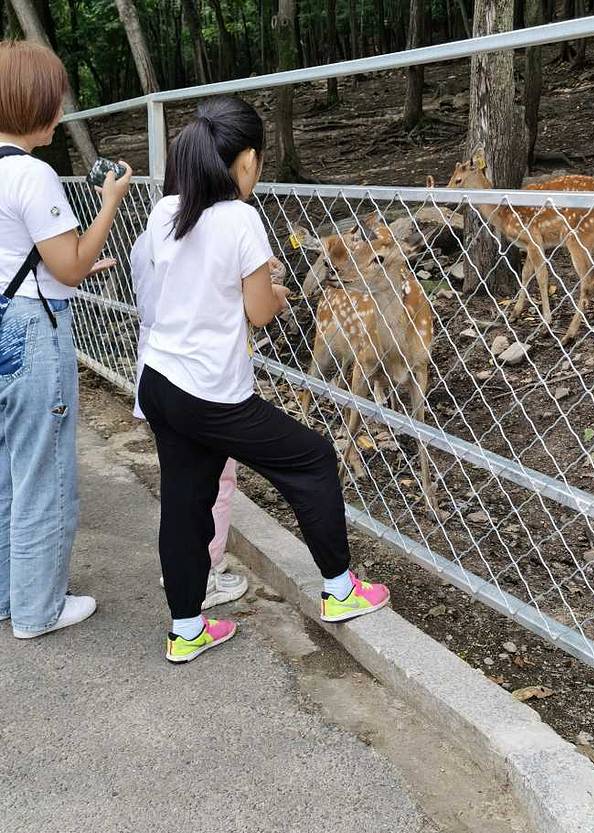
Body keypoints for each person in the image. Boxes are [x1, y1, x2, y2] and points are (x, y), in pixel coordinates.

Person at [137, 95, 390, 665]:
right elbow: (259, 312)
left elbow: (185, 286)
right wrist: (274, 289)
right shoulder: (240, 217)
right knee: (312, 459)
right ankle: (340, 591)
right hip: (212, 392)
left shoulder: (166, 210)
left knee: (185, 500)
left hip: (161, 379)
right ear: (246, 158)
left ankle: (186, 629)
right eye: (259, 158)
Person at [0, 40, 132, 639]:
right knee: (43, 470)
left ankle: (8, 596)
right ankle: (39, 611)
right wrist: (110, 204)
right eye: (55, 100)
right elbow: (73, 264)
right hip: (33, 330)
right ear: (36, 106)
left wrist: (64, 266)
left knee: (6, 469)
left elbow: (24, 256)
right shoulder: (33, 173)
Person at [131, 147, 248, 608]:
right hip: (202, 379)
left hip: (157, 374)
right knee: (216, 479)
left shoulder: (150, 235)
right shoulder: (207, 231)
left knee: (179, 482)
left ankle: (180, 576)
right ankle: (208, 572)